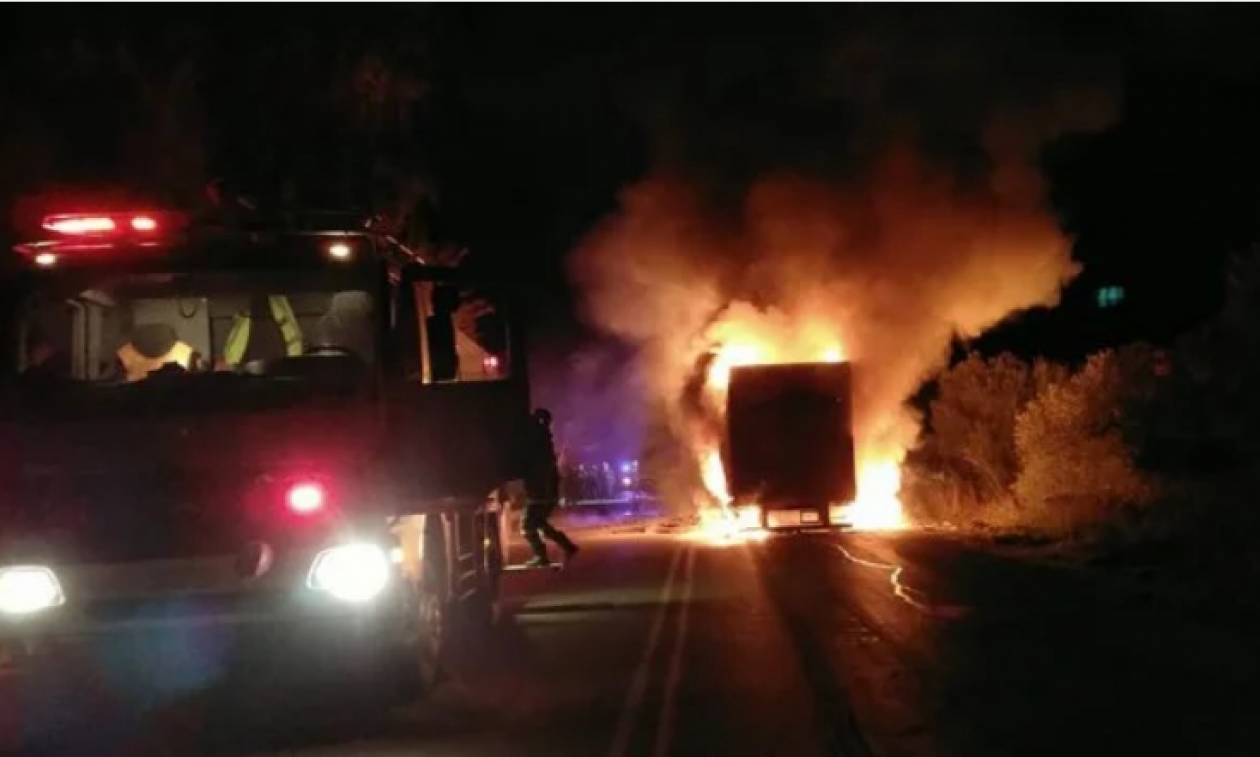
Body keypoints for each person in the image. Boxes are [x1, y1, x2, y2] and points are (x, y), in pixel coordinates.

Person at [522, 408, 579, 567]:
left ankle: (543, 555)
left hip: (540, 492)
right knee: (539, 523)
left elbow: (540, 468)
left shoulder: (539, 440)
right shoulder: (544, 439)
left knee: (527, 526)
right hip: (543, 491)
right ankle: (566, 547)